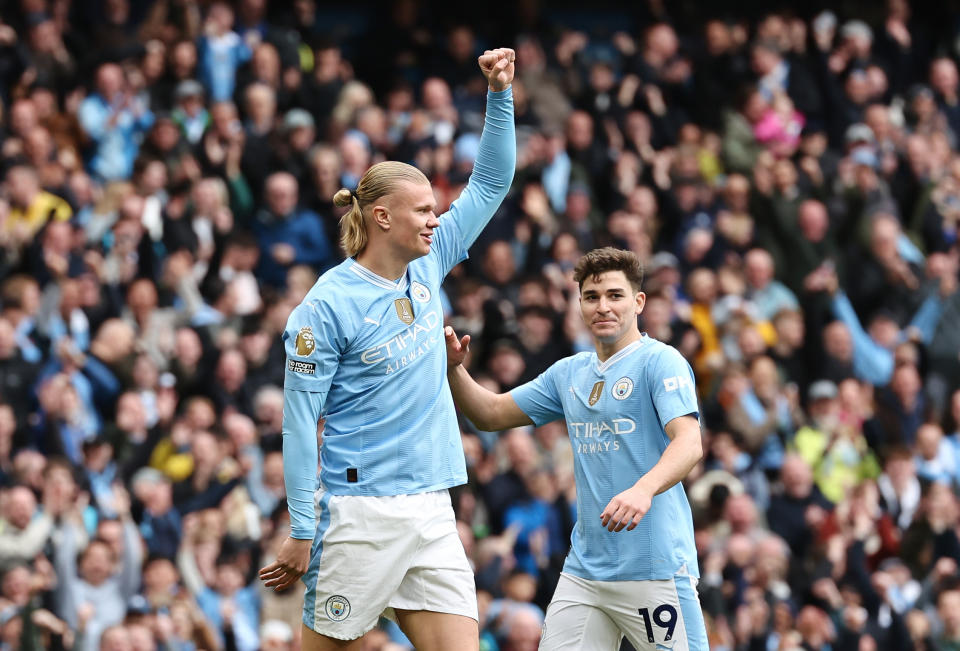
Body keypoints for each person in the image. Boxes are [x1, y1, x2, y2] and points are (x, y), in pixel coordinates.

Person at [258, 47, 516, 651]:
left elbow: (492, 181)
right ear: (380, 217)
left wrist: (499, 95)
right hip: (358, 516)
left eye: (435, 210)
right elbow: (299, 422)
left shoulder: (429, 265)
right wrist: (301, 527)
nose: (435, 220)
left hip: (431, 507)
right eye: (422, 210)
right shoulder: (326, 305)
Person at [445, 247, 709, 650]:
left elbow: (689, 443)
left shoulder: (661, 362)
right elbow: (491, 414)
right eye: (591, 297)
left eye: (615, 295)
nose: (603, 306)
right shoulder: (569, 373)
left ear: (638, 302)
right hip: (585, 572)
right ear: (581, 305)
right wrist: (453, 368)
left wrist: (643, 489)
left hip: (654, 569)